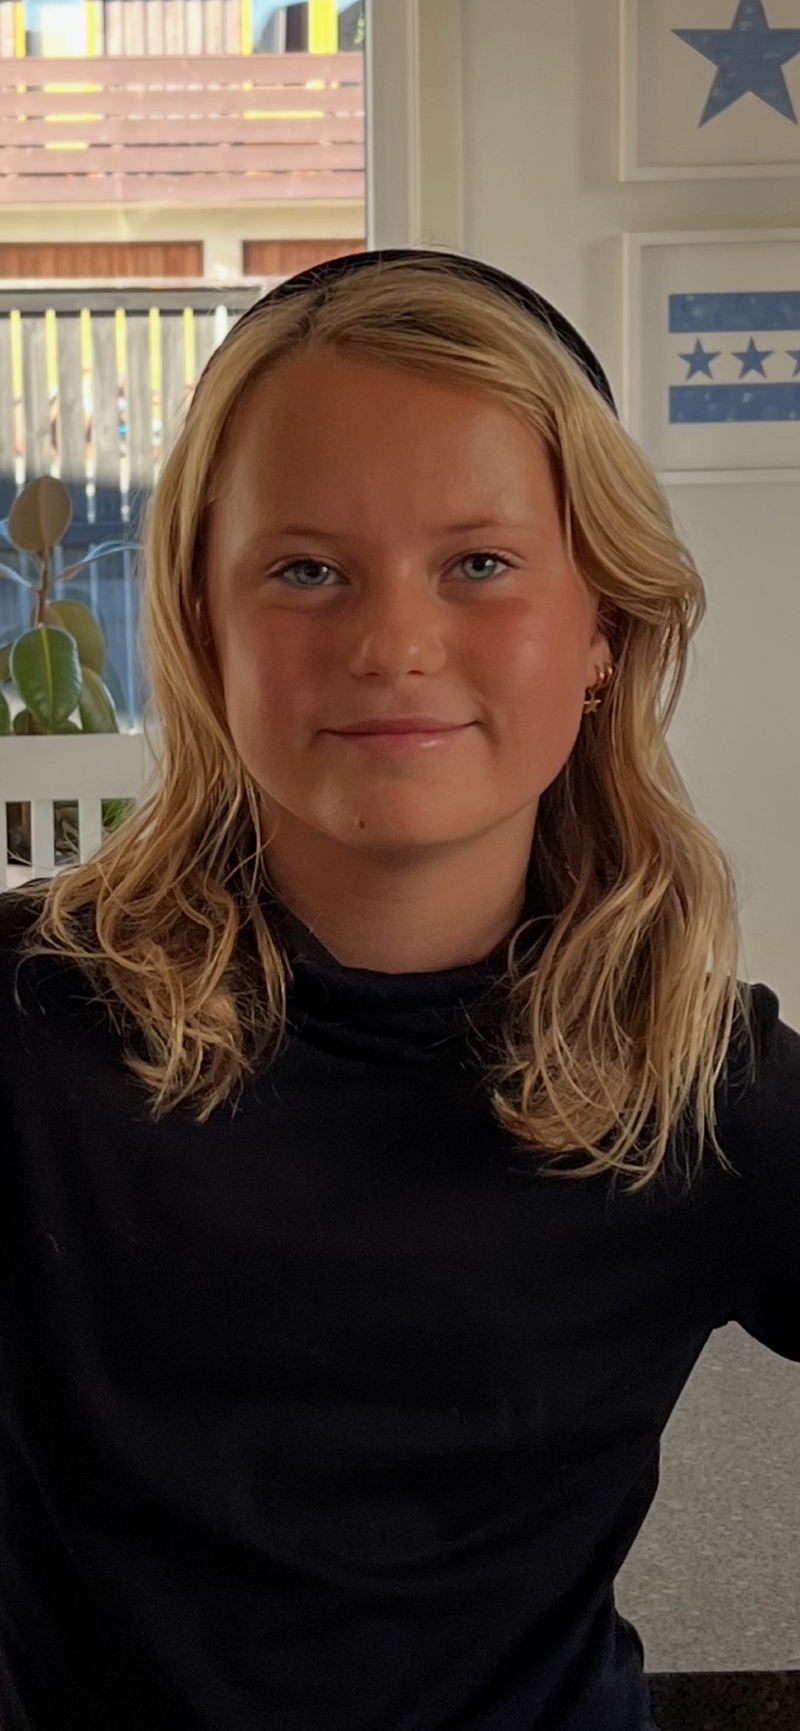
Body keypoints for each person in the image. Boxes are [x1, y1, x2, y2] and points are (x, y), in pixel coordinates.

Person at [0, 247, 796, 1731]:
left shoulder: (696, 1077)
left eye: (479, 564)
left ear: (603, 626)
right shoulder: (30, 1028)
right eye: (306, 570)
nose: (393, 645)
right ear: (203, 624)